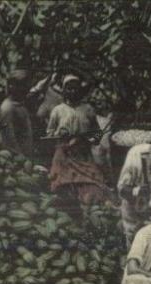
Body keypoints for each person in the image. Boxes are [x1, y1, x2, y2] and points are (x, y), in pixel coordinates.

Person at [46, 74, 108, 209]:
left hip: (83, 156)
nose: (72, 91)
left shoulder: (88, 110)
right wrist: (59, 135)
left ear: (80, 90)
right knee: (63, 189)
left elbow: (97, 134)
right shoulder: (57, 111)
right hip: (63, 156)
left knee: (94, 186)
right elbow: (49, 135)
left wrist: (85, 139)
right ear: (63, 91)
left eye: (75, 88)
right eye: (69, 88)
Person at [0, 69, 34, 158]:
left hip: (26, 155)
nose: (26, 88)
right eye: (21, 85)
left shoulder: (20, 104)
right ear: (12, 86)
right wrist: (19, 156)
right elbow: (8, 138)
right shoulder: (8, 108)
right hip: (15, 158)